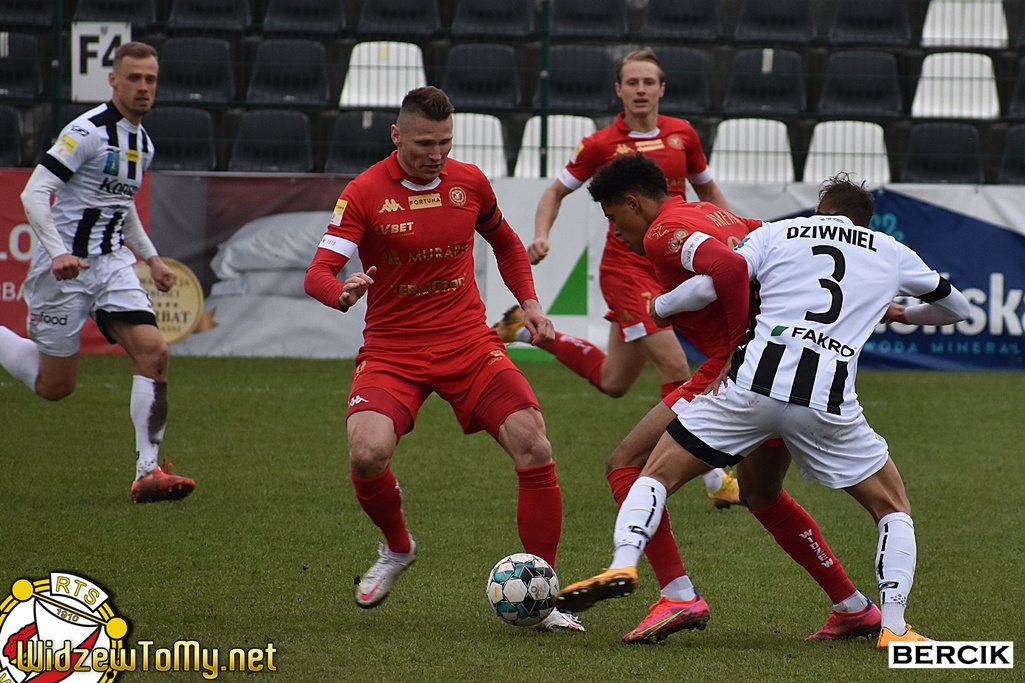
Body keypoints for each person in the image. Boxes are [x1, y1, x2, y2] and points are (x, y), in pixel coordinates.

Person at [558, 165, 970, 649]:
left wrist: (662, 308)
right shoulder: (884, 250)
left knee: (645, 469)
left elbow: (717, 279)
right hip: (824, 397)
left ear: (819, 211)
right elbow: (957, 309)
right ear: (862, 222)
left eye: (612, 217)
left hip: (746, 379)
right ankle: (888, 625)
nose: (615, 230)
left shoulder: (771, 232)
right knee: (873, 505)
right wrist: (901, 313)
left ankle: (644, 574)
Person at [303, 86, 581, 631]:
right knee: (367, 455)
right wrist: (341, 292)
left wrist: (530, 304)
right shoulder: (363, 193)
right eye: (424, 144)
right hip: (393, 350)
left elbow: (506, 243)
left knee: (534, 443)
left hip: (467, 342)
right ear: (396, 136)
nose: (437, 154)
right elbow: (317, 273)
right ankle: (398, 546)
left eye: (445, 143)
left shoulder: (469, 182)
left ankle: (543, 592)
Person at [498, 47, 740, 509]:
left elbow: (707, 189)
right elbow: (554, 192)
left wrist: (732, 235)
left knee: (614, 381)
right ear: (619, 90)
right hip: (626, 269)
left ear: (662, 88)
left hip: (672, 264)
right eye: (632, 82)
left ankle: (526, 330)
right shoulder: (600, 145)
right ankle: (713, 476)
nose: (640, 90)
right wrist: (542, 235)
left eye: (648, 82)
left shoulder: (683, 135)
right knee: (676, 368)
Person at [0, 42, 195, 504]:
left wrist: (152, 259)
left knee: (155, 352)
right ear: (114, 80)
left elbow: (122, 207)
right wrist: (58, 252)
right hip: (64, 270)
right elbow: (34, 193)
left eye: (150, 79)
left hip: (111, 265)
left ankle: (148, 471)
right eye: (134, 78)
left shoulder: (143, 143)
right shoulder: (86, 131)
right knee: (56, 387)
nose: (143, 87)